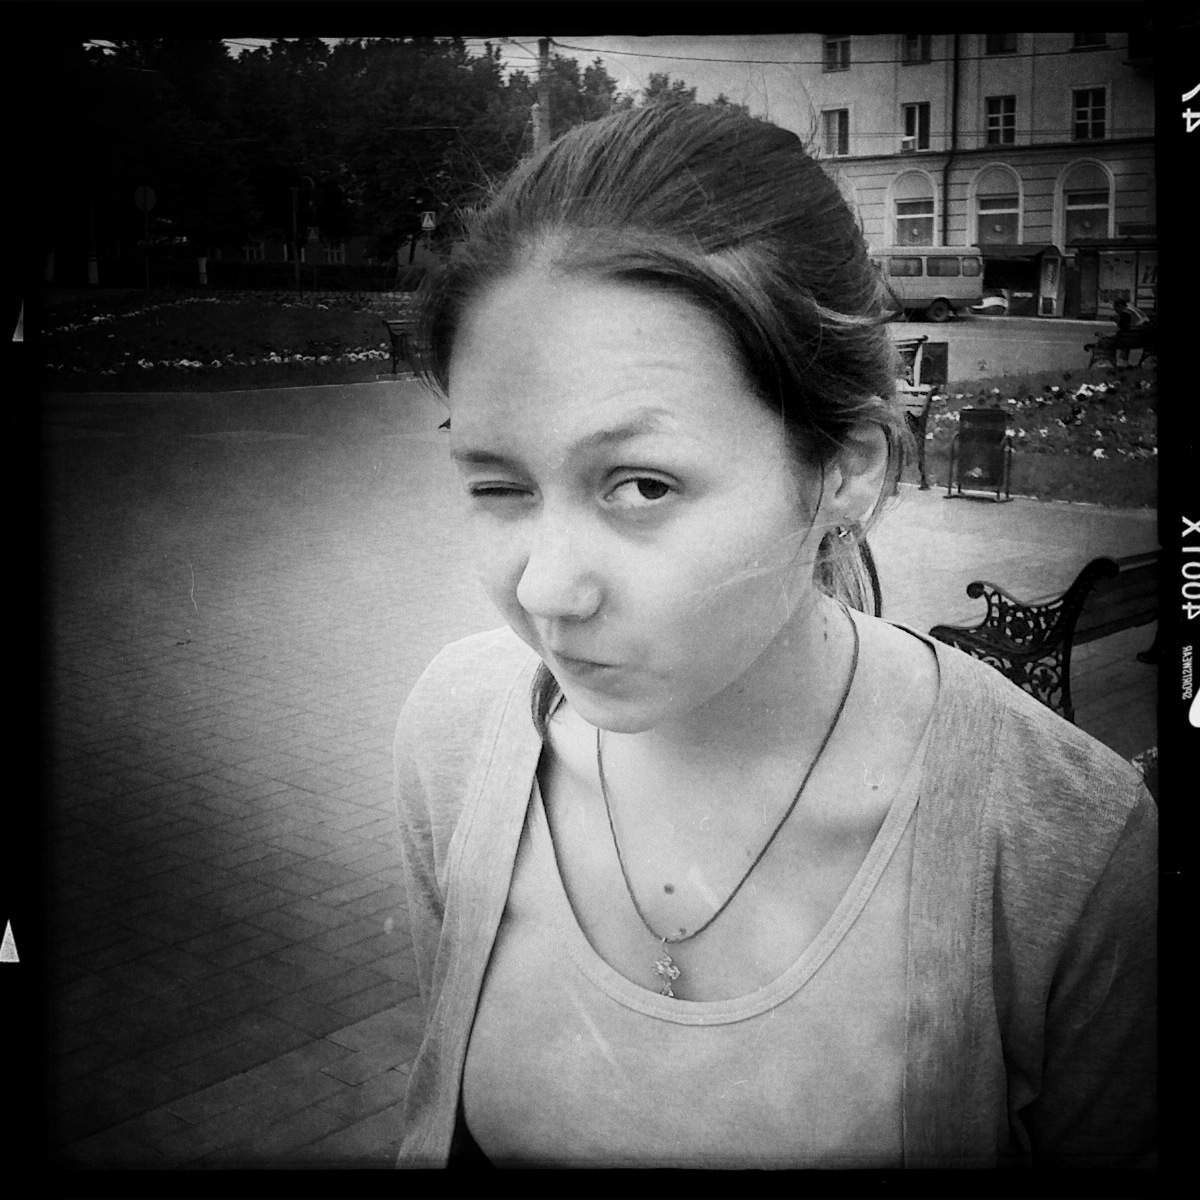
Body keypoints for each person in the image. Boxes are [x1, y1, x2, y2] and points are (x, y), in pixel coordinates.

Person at [393, 103, 1156, 1171]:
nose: (547, 593)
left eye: (642, 485)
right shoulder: (457, 739)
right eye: (498, 486)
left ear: (844, 468)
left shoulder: (1063, 850)